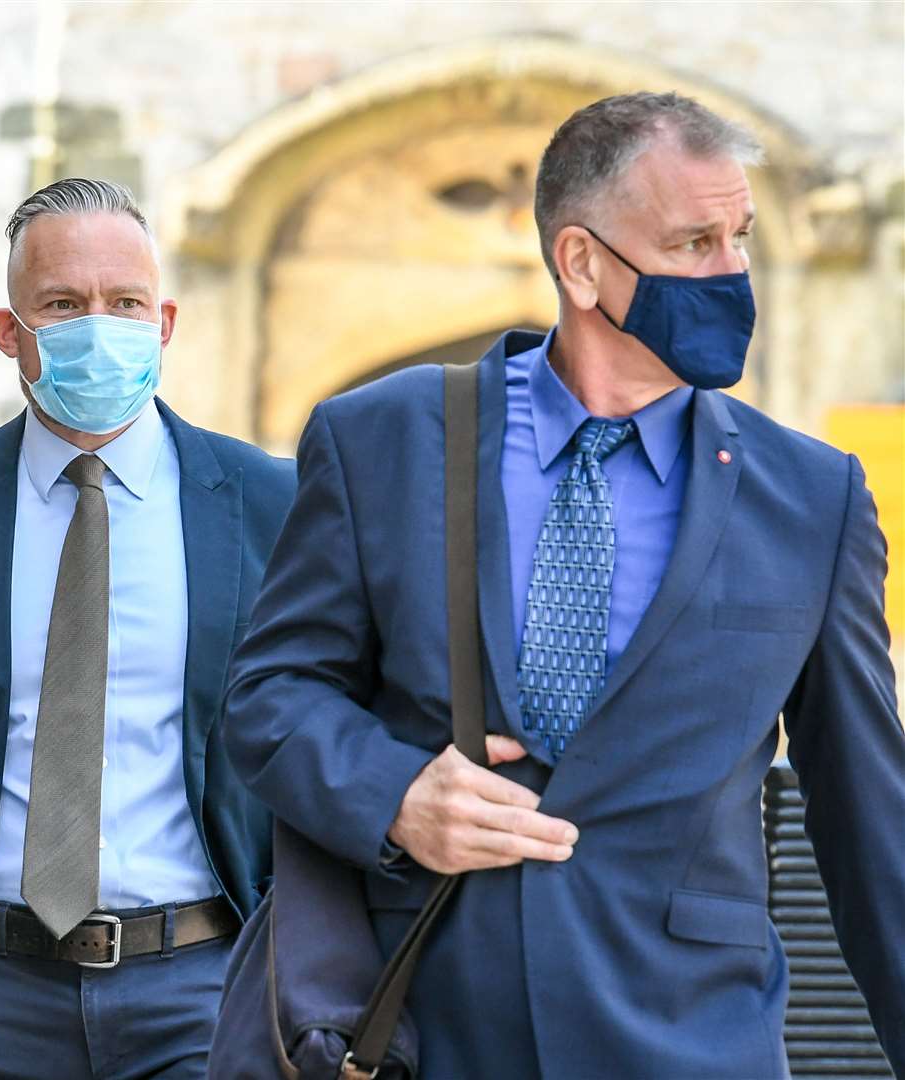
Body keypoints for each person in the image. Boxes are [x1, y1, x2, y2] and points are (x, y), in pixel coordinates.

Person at [222, 91, 904, 1077]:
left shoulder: (814, 495)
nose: (733, 276)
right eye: (695, 242)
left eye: (740, 238)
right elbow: (266, 700)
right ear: (581, 263)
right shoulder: (381, 437)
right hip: (426, 1028)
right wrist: (394, 794)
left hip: (691, 1038)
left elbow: (867, 811)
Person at [0, 178, 296, 1080]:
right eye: (63, 304)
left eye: (125, 303)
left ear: (163, 323)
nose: (101, 326)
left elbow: (315, 747)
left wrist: (289, 974)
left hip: (206, 995)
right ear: (9, 333)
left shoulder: (268, 503)